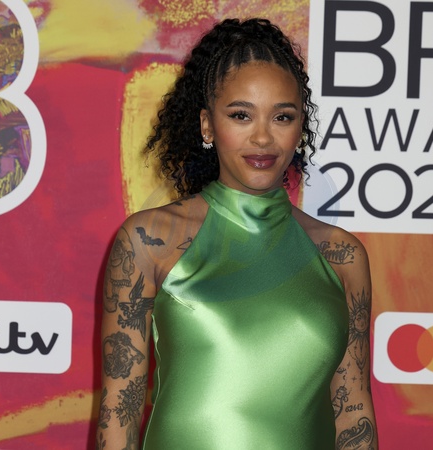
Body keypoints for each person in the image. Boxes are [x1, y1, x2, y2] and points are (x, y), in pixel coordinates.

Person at [96, 18, 378, 450]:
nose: (262, 137)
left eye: (282, 116)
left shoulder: (341, 255)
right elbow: (120, 411)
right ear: (207, 126)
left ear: (300, 127)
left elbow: (353, 410)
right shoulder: (149, 240)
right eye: (241, 115)